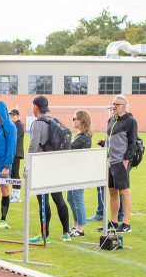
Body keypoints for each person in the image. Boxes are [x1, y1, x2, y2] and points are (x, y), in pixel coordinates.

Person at [27, 95, 71, 242]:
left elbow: (33, 145)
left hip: (42, 165)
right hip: (55, 165)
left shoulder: (37, 124)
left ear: (35, 108)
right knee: (59, 199)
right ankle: (66, 233)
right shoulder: (53, 121)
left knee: (43, 201)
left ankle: (44, 235)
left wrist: (28, 166)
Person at [103, 95, 138, 233]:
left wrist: (126, 160)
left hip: (120, 161)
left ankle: (126, 224)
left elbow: (132, 143)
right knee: (112, 192)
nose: (114, 107)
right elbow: (112, 138)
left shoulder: (130, 121)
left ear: (124, 106)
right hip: (110, 162)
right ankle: (113, 222)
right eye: (113, 104)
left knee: (124, 191)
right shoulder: (111, 120)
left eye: (116, 104)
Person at [67, 110, 93, 237]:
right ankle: (76, 224)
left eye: (74, 118)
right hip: (73, 171)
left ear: (81, 121)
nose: (73, 121)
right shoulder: (80, 135)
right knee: (70, 198)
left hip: (79, 172)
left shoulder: (84, 137)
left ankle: (80, 228)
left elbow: (69, 147)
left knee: (77, 198)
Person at [8, 108, 24, 203]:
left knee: (15, 173)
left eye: (13, 115)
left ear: (18, 116)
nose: (11, 117)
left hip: (16, 153)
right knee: (13, 173)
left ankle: (17, 195)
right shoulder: (15, 125)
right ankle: (14, 194)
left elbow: (14, 138)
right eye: (10, 115)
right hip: (15, 153)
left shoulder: (18, 125)